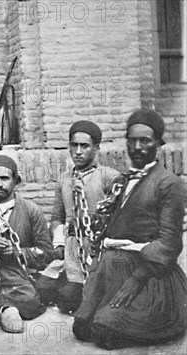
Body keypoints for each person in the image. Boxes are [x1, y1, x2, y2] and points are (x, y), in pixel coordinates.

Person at [73, 109, 187, 349]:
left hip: (150, 276)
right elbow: (105, 231)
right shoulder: (122, 181)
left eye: (145, 141)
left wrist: (136, 280)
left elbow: (169, 243)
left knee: (104, 332)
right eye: (132, 140)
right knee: (82, 327)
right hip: (111, 272)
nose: (137, 147)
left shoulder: (169, 184)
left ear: (158, 143)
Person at [37, 121, 119, 313]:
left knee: (72, 299)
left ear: (96, 148)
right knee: (43, 290)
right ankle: (70, 281)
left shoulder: (108, 176)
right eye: (74, 145)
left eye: (85, 146)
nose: (78, 151)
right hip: (73, 246)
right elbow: (57, 216)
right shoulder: (65, 179)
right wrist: (59, 242)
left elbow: (120, 215)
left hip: (97, 246)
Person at [0, 155, 53, 332]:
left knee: (31, 301)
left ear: (15, 181)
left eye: (5, 178)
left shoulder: (32, 210)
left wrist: (17, 252)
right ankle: (6, 309)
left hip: (18, 276)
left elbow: (47, 253)